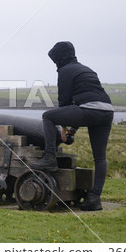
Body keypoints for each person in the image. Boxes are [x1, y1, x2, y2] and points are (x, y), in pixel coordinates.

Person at [30, 41, 114, 211]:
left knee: (48, 116)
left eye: (54, 60)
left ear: (60, 58)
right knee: (100, 158)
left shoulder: (65, 71)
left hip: (89, 110)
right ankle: (94, 199)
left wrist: (63, 130)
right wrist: (72, 130)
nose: (54, 64)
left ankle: (49, 157)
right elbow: (84, 101)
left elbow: (65, 102)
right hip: (106, 111)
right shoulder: (86, 69)